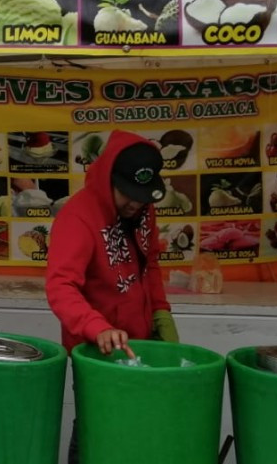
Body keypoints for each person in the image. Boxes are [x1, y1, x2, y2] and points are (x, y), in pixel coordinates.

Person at [45, 130, 179, 464]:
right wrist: (95, 326)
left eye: (144, 195)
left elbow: (150, 266)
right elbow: (60, 286)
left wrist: (161, 314)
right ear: (108, 179)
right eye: (128, 193)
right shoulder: (77, 218)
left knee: (137, 431)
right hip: (96, 351)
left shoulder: (141, 210)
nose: (136, 202)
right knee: (95, 431)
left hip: (140, 345)